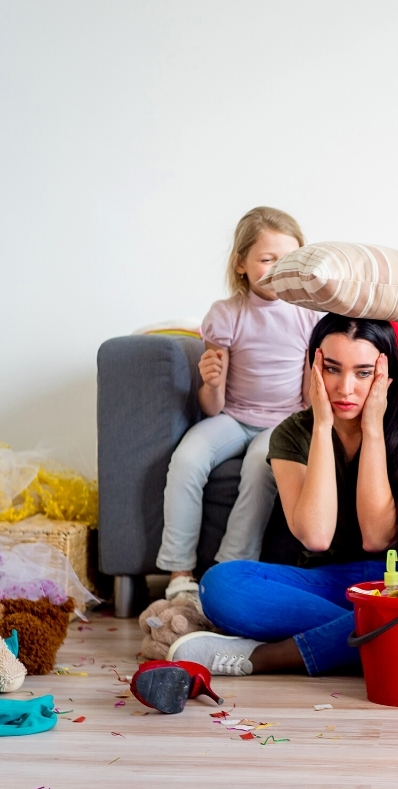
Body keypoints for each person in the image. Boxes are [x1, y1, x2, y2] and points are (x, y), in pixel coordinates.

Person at [168, 314, 398, 677]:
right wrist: (321, 424)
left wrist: (372, 428)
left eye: (363, 373)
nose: (345, 388)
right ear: (314, 367)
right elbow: (316, 537)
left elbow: (378, 536)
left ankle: (270, 656)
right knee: (220, 585)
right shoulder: (292, 433)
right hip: (330, 581)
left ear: (386, 374)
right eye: (332, 369)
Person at [156, 207, 322, 599]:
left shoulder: (307, 317)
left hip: (284, 421)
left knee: (260, 466)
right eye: (267, 260)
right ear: (241, 263)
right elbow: (212, 406)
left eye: (288, 260)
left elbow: (307, 399)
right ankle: (180, 573)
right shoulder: (226, 314)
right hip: (233, 417)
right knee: (186, 460)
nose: (278, 270)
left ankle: (229, 570)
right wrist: (211, 382)